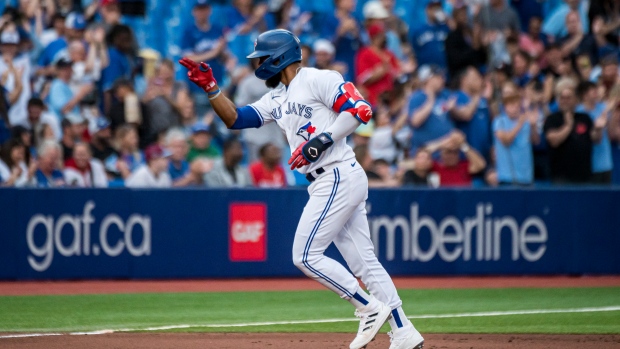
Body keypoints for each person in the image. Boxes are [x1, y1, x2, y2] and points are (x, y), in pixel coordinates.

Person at [180, 28, 424, 349]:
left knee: (305, 255)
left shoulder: (318, 78)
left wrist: (322, 141)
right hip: (330, 179)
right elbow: (236, 119)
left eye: (263, 58)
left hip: (336, 173)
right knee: (364, 262)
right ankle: (404, 331)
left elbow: (361, 110)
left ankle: (367, 307)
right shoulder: (277, 96)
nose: (258, 64)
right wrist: (212, 89)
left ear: (280, 56)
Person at [544, 78, 605, 183]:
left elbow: (595, 139)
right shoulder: (552, 119)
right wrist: (568, 125)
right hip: (561, 177)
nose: (565, 101)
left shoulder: (584, 117)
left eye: (569, 98)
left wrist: (598, 129)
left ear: (576, 100)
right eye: (562, 98)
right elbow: (553, 141)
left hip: (585, 176)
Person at [493, 94, 540, 185]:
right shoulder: (499, 121)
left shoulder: (527, 122)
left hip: (526, 177)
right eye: (511, 105)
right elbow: (506, 141)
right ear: (505, 107)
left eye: (517, 105)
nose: (515, 108)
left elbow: (536, 141)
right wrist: (519, 124)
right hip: (507, 177)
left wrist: (533, 125)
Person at [408, 64, 455, 154]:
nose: (443, 79)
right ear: (428, 79)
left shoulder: (446, 94)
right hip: (426, 154)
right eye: (439, 77)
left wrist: (454, 109)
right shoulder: (417, 97)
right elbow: (415, 121)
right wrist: (430, 101)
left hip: (448, 152)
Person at [575, 81, 614, 183]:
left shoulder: (602, 107)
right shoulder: (579, 113)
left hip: (606, 162)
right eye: (593, 91)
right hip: (589, 163)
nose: (596, 93)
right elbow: (588, 136)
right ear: (584, 95)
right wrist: (605, 112)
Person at [354, 22, 399, 107]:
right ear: (375, 37)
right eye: (381, 35)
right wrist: (377, 73)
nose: (384, 37)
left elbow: (397, 72)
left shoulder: (388, 53)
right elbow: (361, 79)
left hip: (390, 97)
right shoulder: (364, 53)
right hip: (373, 99)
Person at [410, 0, 449, 69]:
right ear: (427, 10)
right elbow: (415, 50)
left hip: (444, 68)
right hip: (426, 70)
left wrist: (449, 22)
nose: (436, 11)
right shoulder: (419, 30)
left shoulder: (445, 28)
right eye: (433, 8)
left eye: (438, 8)